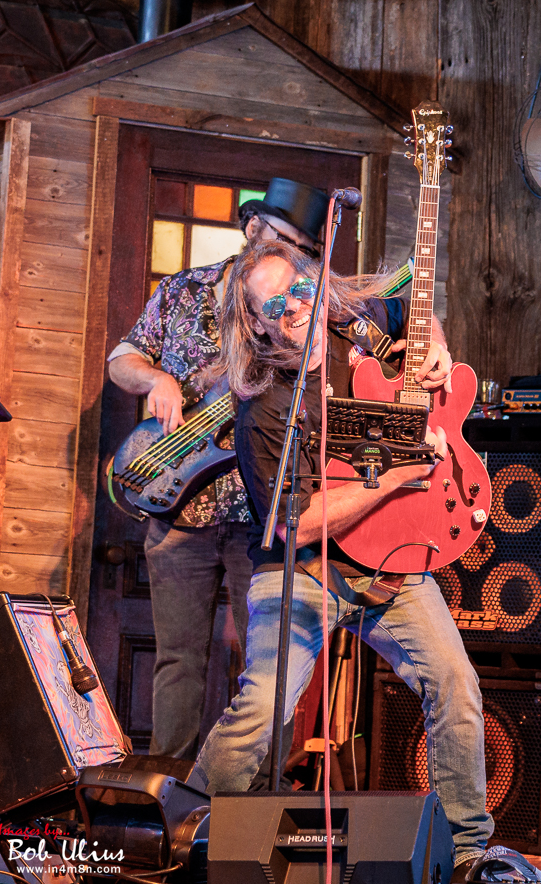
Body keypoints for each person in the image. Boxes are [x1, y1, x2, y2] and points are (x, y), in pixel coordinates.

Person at [186, 238, 518, 884]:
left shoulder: (353, 329)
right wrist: (393, 479)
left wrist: (435, 348)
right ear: (255, 321)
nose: (293, 308)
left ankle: (467, 854)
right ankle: (186, 835)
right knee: (263, 707)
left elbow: (415, 305)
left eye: (299, 290)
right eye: (274, 305)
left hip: (389, 563)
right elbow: (294, 524)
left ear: (316, 285)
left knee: (456, 685)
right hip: (305, 571)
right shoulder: (265, 405)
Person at [108, 178, 329, 764]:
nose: (292, 255)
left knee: (268, 667)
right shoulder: (182, 290)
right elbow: (121, 359)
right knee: (178, 659)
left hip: (262, 518)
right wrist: (157, 378)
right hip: (179, 509)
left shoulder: (303, 307)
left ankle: (252, 796)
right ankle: (168, 791)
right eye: (283, 238)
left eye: (304, 249)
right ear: (253, 226)